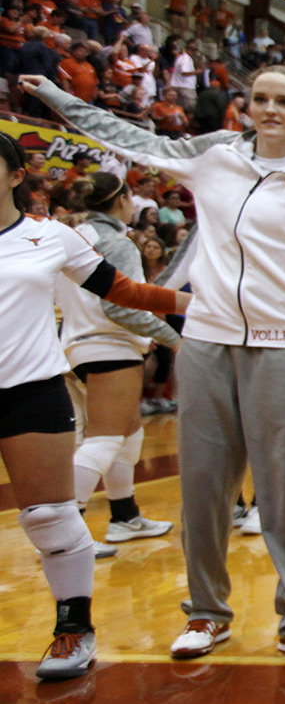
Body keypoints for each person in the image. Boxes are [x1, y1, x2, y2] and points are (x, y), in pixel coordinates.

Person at [28, 67, 285, 663]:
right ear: (246, 106)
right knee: (204, 485)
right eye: (260, 99)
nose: (270, 110)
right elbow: (126, 137)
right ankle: (207, 613)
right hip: (208, 341)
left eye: (283, 101)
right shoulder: (213, 155)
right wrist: (58, 98)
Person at [0, 133, 190, 680]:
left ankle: (73, 632)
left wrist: (197, 305)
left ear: (16, 177)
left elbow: (121, 290)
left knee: (50, 516)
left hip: (31, 390)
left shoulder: (51, 236)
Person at [57, 171, 182, 552]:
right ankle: (66, 531)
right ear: (123, 199)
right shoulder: (117, 242)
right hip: (108, 346)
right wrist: (174, 340)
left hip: (74, 346)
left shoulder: (73, 236)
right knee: (105, 439)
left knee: (128, 433)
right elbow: (121, 308)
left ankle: (125, 517)